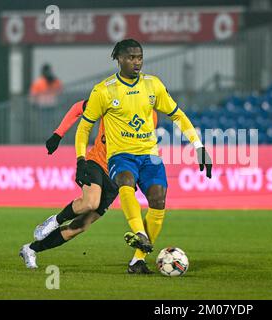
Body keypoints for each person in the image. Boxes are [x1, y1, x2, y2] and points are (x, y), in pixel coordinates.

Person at [75, 39, 212, 274]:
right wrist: (80, 159)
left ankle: (137, 260)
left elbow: (178, 115)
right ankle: (139, 232)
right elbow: (84, 127)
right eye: (130, 57)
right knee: (125, 182)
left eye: (139, 57)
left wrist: (198, 146)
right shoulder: (104, 90)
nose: (136, 62)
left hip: (150, 155)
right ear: (119, 59)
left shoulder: (153, 85)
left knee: (158, 199)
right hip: (121, 155)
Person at [19, 99, 158, 269]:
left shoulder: (152, 117)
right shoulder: (113, 100)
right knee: (91, 202)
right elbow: (77, 108)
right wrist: (58, 134)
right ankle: (55, 220)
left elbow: (142, 151)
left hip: (116, 178)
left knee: (79, 227)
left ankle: (30, 249)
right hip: (96, 163)